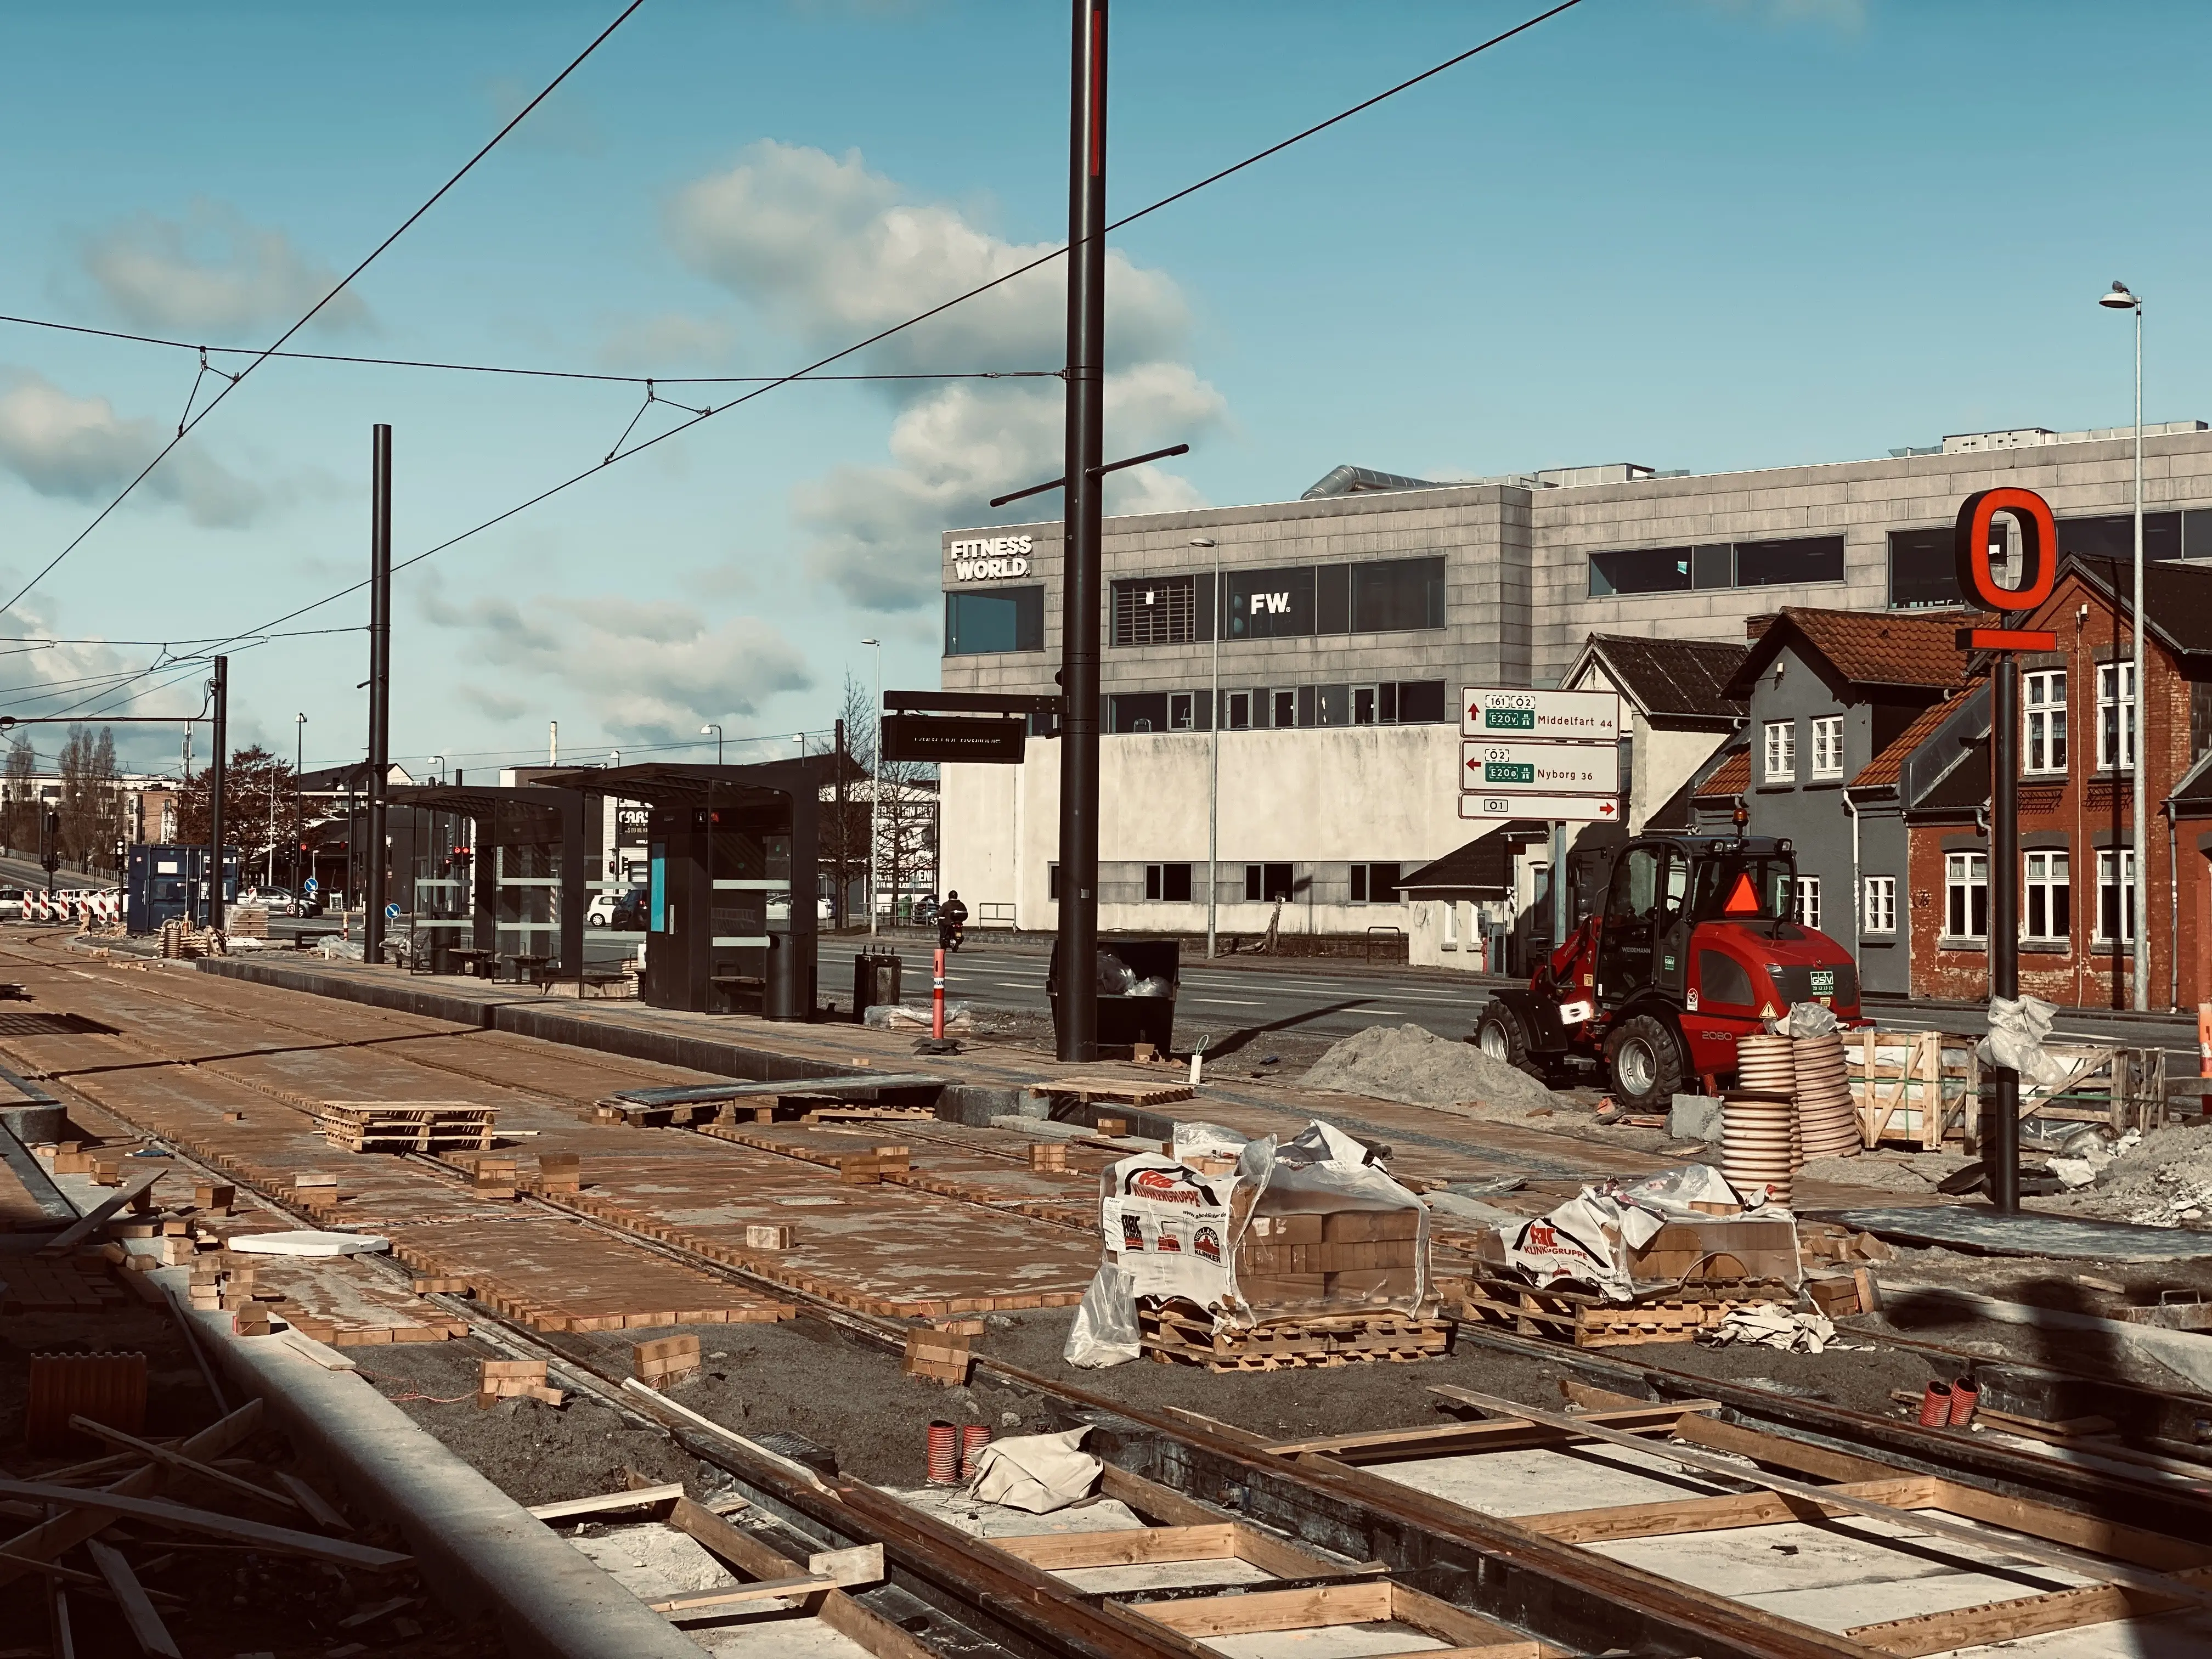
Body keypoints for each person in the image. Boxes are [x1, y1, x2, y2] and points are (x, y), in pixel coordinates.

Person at [938, 888, 968, 952]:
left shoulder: (946, 904)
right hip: (959, 922)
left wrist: (938, 915)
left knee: (940, 922)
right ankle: (958, 938)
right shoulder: (962, 904)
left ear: (949, 896)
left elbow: (940, 913)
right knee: (959, 930)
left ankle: (943, 937)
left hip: (948, 922)